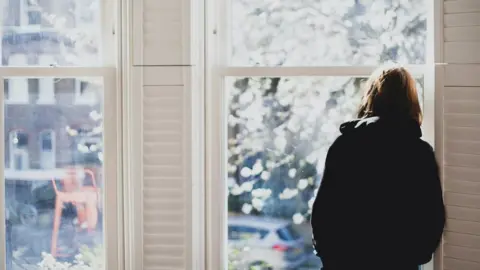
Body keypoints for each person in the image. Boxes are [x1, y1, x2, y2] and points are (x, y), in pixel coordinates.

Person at [311, 66, 445, 270]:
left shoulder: (345, 145)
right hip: (397, 262)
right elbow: (432, 216)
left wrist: (329, 257)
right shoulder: (419, 152)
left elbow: (323, 211)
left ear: (370, 98)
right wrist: (413, 256)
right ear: (411, 102)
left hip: (344, 261)